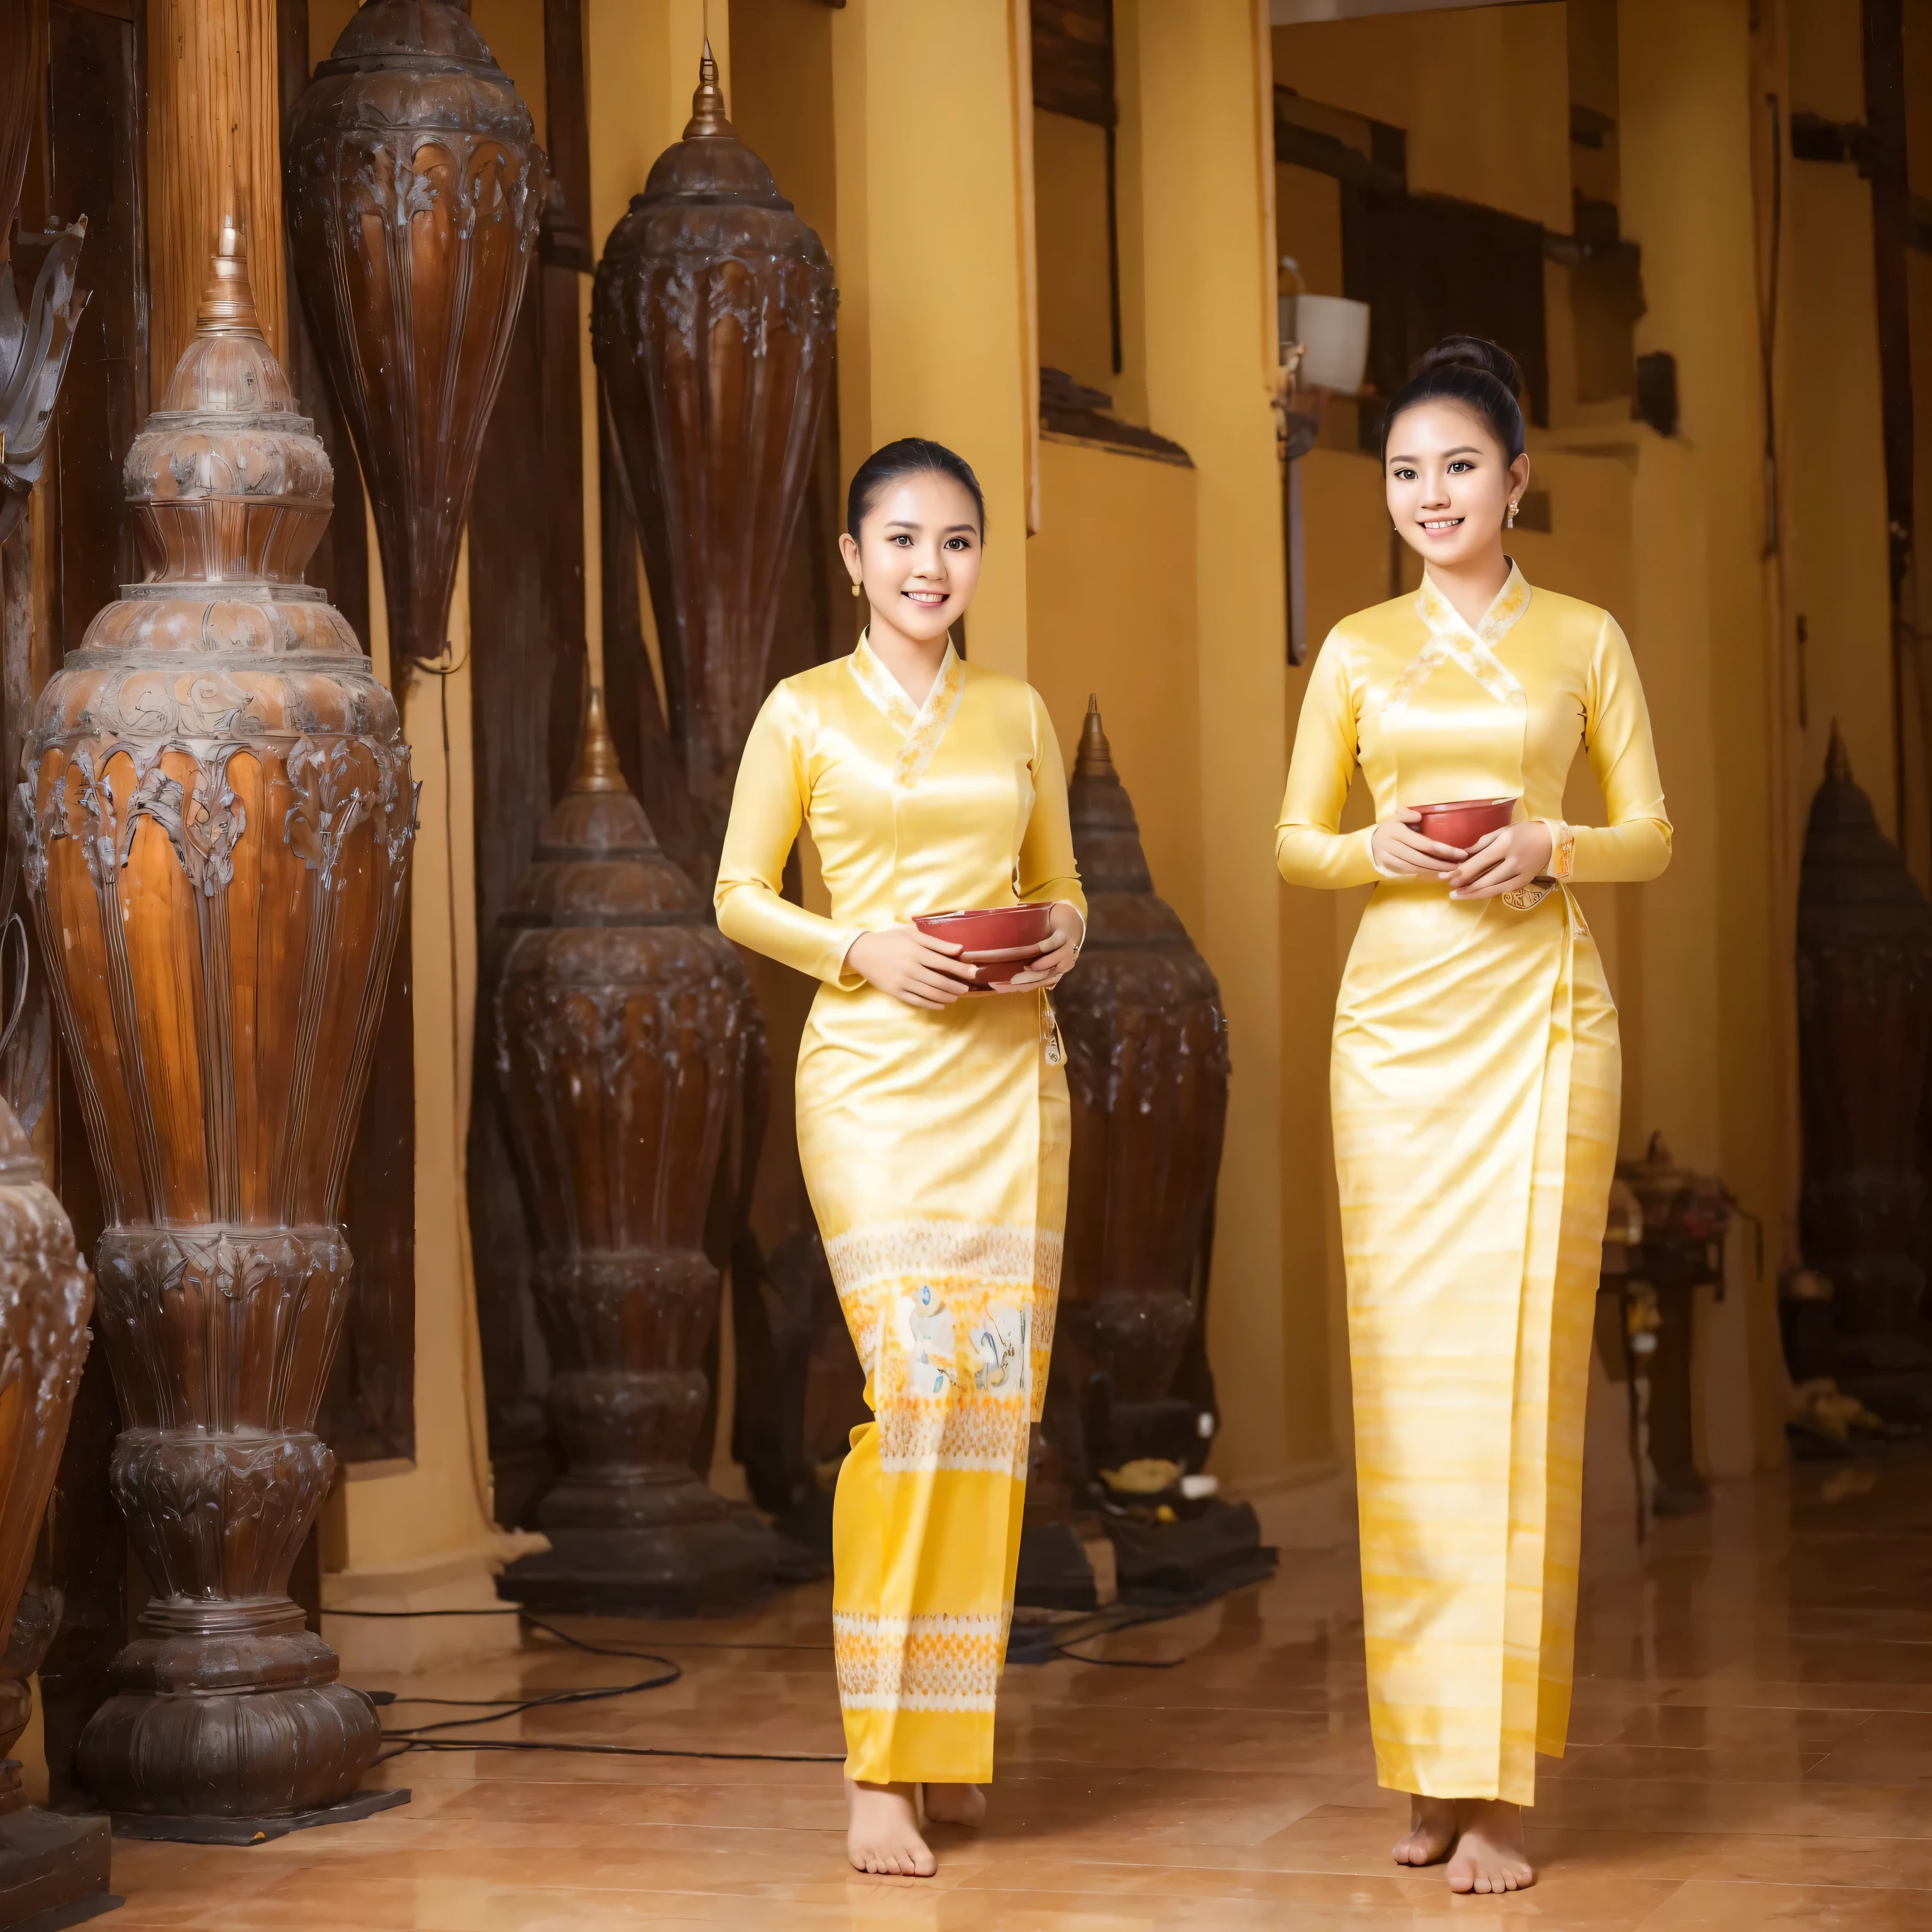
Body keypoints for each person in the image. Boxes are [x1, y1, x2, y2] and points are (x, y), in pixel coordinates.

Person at [1274, 338, 1671, 1894]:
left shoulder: (1583, 637)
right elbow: (1298, 845)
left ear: (1519, 479)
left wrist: (1554, 847)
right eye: (1404, 471)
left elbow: (1652, 833)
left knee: (1518, 1397)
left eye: (1459, 466)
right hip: (1393, 1039)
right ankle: (1429, 1766)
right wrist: (1384, 847)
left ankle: (1501, 1786)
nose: (1431, 494)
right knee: (1408, 1403)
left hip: (1543, 1032)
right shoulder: (1358, 651)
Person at [714, 438, 1085, 1879]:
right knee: (914, 1386)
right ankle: (879, 1761)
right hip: (869, 1083)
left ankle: (949, 1738)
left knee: (992, 1410)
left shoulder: (1019, 712)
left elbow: (1058, 894)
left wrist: (1066, 934)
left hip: (1008, 1085)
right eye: (905, 541)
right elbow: (743, 896)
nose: (933, 567)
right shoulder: (801, 714)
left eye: (959, 542)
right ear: (855, 559)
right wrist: (852, 946)